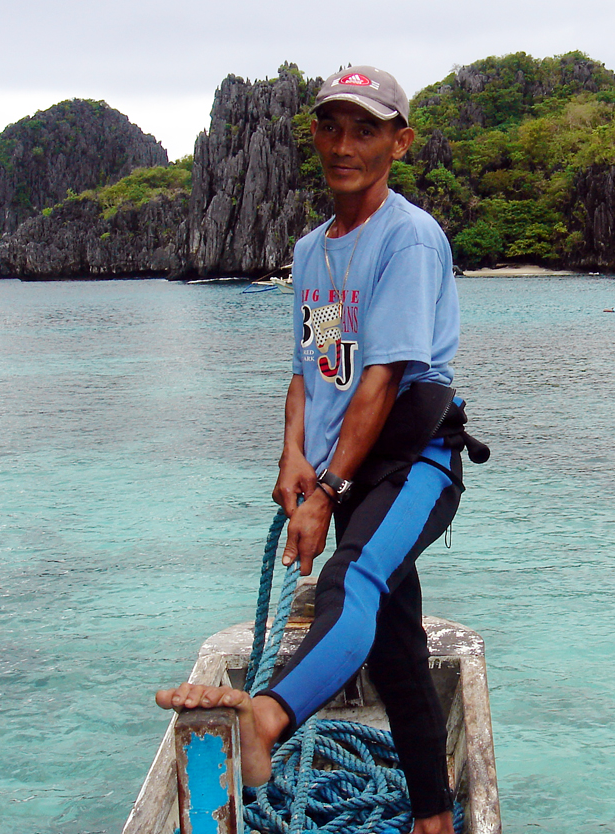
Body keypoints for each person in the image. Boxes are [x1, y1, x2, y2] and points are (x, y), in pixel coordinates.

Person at [155, 65, 484, 834]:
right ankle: (435, 817)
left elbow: (379, 381)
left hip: (413, 463)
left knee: (354, 577)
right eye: (332, 127)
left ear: (398, 143)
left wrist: (327, 493)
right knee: (394, 637)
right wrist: (291, 462)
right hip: (348, 469)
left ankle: (266, 721)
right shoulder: (312, 251)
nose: (345, 145)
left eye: (366, 130)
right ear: (315, 136)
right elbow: (312, 372)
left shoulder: (408, 238)